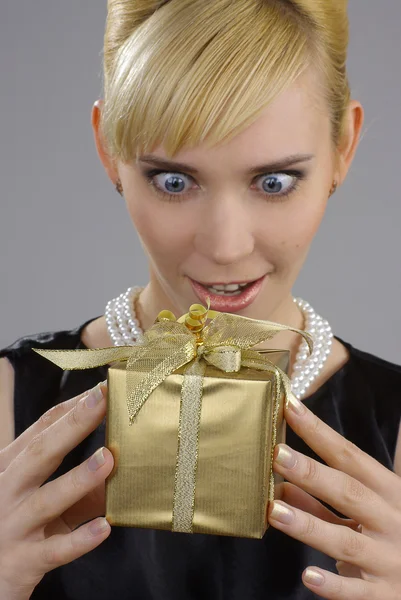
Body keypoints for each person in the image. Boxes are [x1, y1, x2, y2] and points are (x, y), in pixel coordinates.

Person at [1, 0, 401, 598]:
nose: (225, 247)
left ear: (344, 147)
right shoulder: (8, 402)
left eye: (273, 182)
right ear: (109, 149)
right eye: (174, 181)